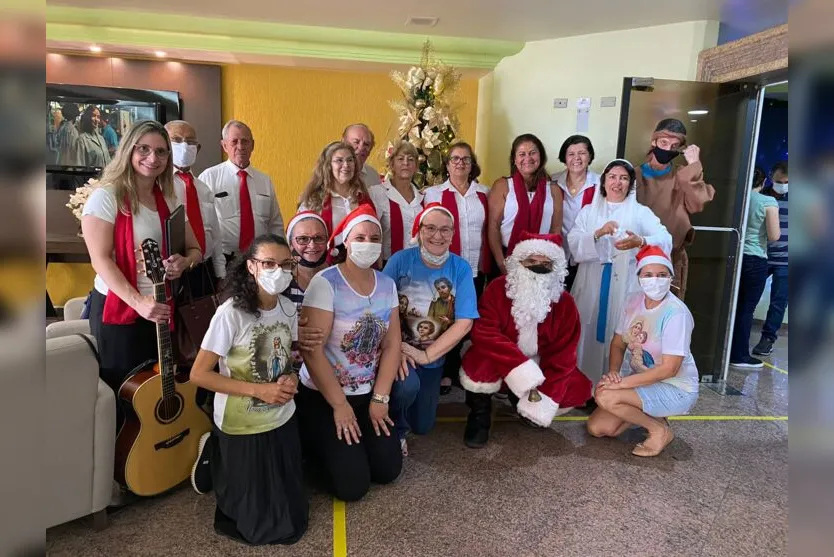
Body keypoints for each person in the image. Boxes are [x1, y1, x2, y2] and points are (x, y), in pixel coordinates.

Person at [82, 120, 202, 429]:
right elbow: (101, 260)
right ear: (128, 151)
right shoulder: (106, 197)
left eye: (161, 152)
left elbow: (195, 249)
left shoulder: (170, 198)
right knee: (122, 392)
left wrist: (183, 263)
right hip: (121, 310)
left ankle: (155, 463)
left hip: (161, 309)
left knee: (158, 386)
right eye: (144, 149)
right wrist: (138, 303)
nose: (153, 158)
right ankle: (120, 466)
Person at [189, 234, 308, 545]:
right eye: (268, 263)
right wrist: (260, 391)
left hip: (282, 415)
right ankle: (213, 453)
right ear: (252, 266)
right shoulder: (231, 314)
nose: (278, 271)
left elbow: (288, 359)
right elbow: (199, 374)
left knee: (292, 517)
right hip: (242, 421)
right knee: (255, 523)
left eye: (285, 265)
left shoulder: (287, 307)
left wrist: (291, 378)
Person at [296, 205, 402, 502]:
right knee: (353, 488)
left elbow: (392, 344)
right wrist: (340, 405)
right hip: (325, 395)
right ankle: (310, 449)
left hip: (367, 393)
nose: (367, 243)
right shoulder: (326, 283)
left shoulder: (387, 285)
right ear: (345, 241)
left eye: (374, 237)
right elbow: (312, 350)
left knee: (388, 470)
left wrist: (380, 398)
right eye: (360, 236)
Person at [460, 231, 591, 448]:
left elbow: (564, 353)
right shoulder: (497, 288)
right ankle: (479, 415)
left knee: (572, 386)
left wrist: (543, 396)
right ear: (518, 263)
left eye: (545, 262)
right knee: (479, 365)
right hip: (500, 356)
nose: (538, 267)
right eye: (531, 261)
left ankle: (524, 402)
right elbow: (484, 332)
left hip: (540, 362)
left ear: (555, 268)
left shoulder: (565, 303)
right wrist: (519, 368)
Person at [382, 203, 478, 454]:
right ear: (420, 231)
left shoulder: (461, 268)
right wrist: (396, 348)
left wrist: (426, 355)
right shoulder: (400, 261)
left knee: (423, 425)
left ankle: (407, 417)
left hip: (432, 356)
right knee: (406, 388)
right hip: (399, 352)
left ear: (453, 233)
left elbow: (465, 321)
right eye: (431, 228)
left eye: (445, 230)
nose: (438, 236)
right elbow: (380, 307)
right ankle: (394, 429)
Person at [587, 245, 699, 457]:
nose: (655, 280)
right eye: (648, 274)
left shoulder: (676, 314)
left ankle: (659, 431)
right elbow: (618, 343)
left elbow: (669, 369)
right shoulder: (632, 302)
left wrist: (621, 384)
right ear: (639, 277)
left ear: (670, 277)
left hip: (675, 387)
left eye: (661, 275)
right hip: (643, 380)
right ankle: (654, 414)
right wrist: (614, 373)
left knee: (607, 397)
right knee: (599, 428)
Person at [568, 159, 672, 389]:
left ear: (630, 184)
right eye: (612, 177)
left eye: (623, 178)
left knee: (621, 331)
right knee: (586, 327)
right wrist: (597, 233)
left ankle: (617, 386)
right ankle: (584, 387)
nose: (617, 182)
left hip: (625, 285)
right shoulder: (588, 211)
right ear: (604, 181)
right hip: (592, 281)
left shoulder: (640, 213)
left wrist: (642, 241)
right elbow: (574, 243)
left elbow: (665, 238)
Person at [423, 142, 489, 394]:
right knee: (445, 318)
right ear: (447, 164)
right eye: (454, 159)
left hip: (474, 268)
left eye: (465, 159)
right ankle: (443, 370)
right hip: (445, 268)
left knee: (467, 319)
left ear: (472, 165)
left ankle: (462, 367)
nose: (460, 163)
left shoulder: (484, 192)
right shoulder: (433, 194)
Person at [635, 118, 714, 300]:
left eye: (674, 145)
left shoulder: (682, 176)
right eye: (663, 143)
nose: (668, 149)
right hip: (637, 255)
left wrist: (694, 165)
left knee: (668, 311)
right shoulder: (634, 175)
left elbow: (698, 203)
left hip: (671, 256)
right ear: (653, 141)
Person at [198, 120, 285, 262]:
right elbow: (202, 224)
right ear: (224, 146)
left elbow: (275, 224)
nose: (240, 146)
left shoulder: (265, 180)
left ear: (253, 145)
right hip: (223, 259)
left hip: (260, 259)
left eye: (245, 141)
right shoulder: (209, 177)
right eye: (234, 142)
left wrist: (280, 257)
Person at [487, 133, 563, 275]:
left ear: (541, 157)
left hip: (542, 261)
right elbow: (493, 227)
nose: (527, 158)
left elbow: (556, 230)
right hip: (507, 257)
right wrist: (501, 263)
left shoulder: (554, 189)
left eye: (533, 153)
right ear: (514, 160)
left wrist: (548, 262)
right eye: (522, 154)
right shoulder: (502, 185)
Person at [165, 120, 227, 290]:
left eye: (190, 142)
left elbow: (215, 234)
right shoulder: (159, 186)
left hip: (203, 272)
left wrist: (220, 273)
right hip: (172, 270)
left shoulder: (203, 188)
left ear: (197, 149)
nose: (184, 146)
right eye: (176, 140)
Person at [730, 168, 781, 369]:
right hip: (755, 258)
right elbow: (774, 235)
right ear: (764, 181)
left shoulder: (736, 200)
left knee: (730, 305)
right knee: (746, 308)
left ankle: (723, 350)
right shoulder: (768, 202)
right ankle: (739, 355)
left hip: (734, 255)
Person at [298, 141, 388, 247]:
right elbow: (301, 238)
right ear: (328, 166)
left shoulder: (365, 197)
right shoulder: (313, 201)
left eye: (350, 160)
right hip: (328, 261)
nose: (346, 165)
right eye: (339, 160)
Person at [551, 135, 601, 290]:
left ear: (590, 156)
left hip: (588, 253)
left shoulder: (601, 184)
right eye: (571, 154)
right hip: (557, 251)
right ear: (564, 157)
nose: (576, 158)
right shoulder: (552, 182)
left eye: (582, 153)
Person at [753, 161, 789, 357]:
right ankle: (736, 334)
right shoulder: (761, 195)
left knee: (779, 301)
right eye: (779, 181)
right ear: (771, 178)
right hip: (762, 254)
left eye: (787, 182)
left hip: (788, 260)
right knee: (751, 295)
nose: (783, 185)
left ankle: (767, 339)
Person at [377, 140, 424, 262]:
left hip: (417, 264)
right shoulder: (378, 193)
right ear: (392, 164)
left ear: (416, 166)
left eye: (411, 159)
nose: (406, 163)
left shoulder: (423, 197)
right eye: (400, 159)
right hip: (388, 264)